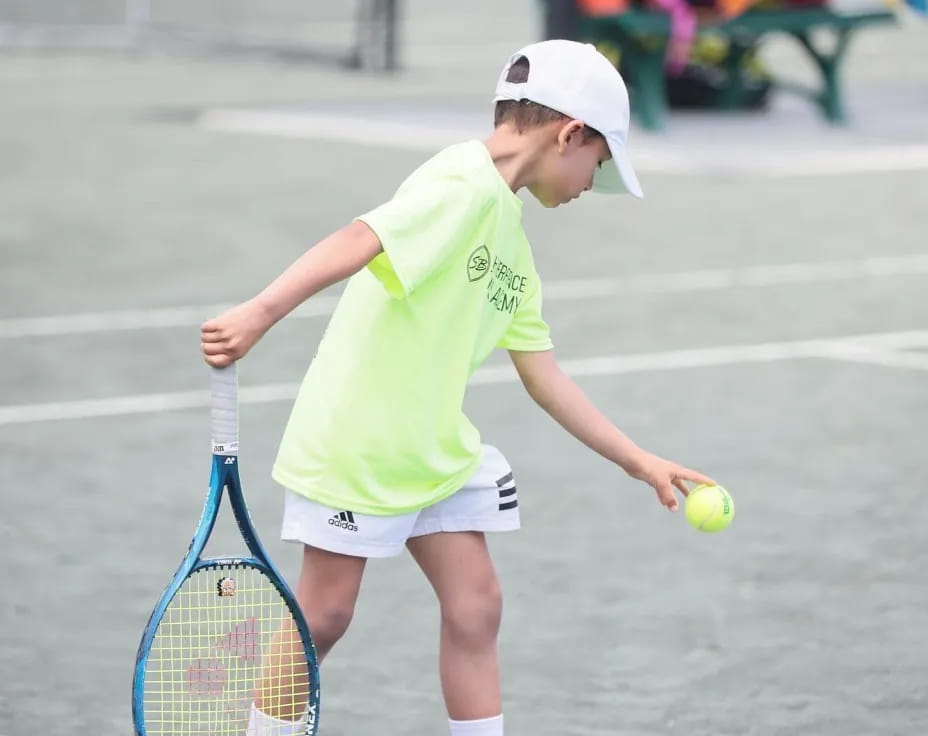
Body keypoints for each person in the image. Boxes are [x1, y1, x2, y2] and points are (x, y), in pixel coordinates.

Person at [201, 39, 714, 736]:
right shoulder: (461, 183)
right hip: (360, 444)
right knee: (323, 616)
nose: (595, 181)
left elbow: (544, 375)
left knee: (476, 605)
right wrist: (260, 311)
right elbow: (362, 236)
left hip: (433, 451)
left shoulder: (511, 237)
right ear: (571, 133)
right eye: (600, 161)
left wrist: (638, 459)